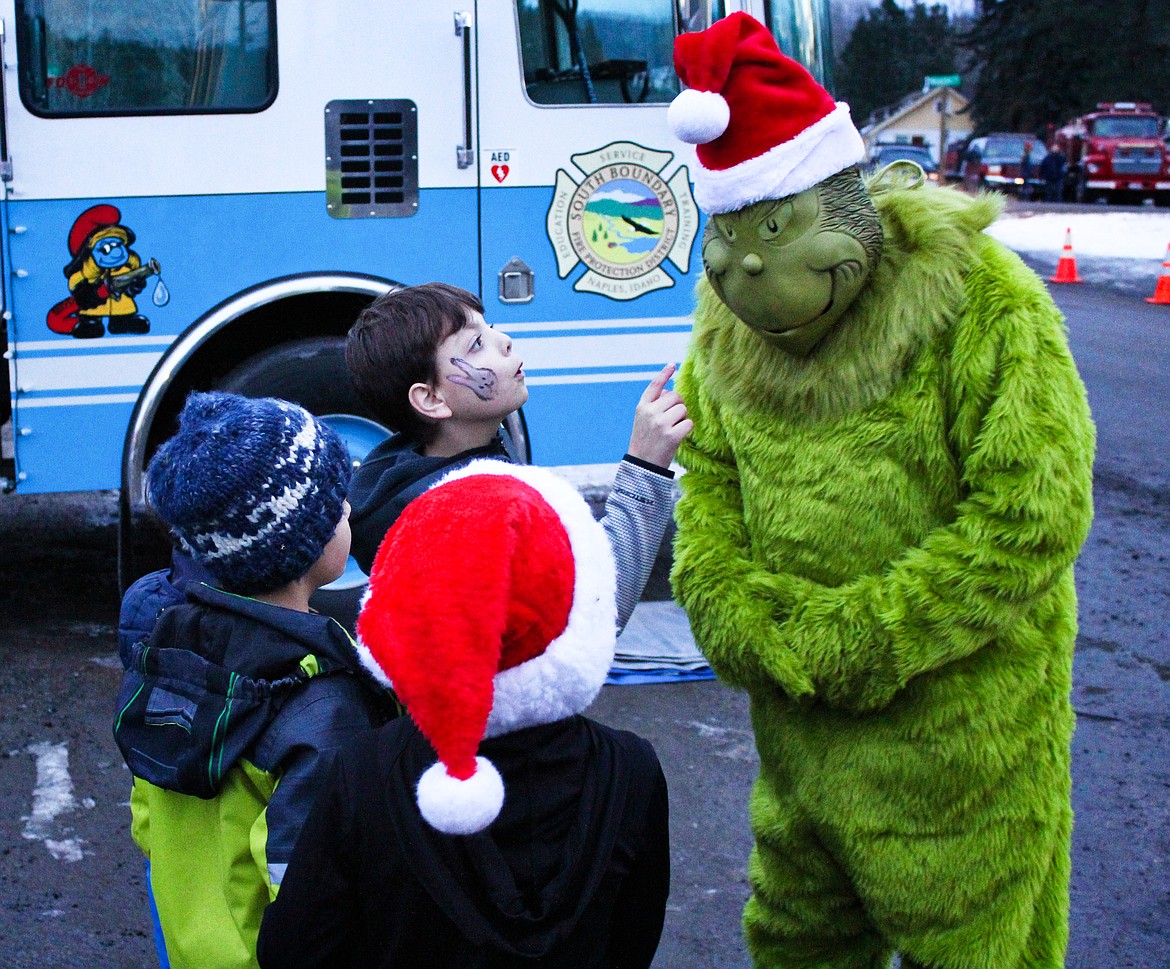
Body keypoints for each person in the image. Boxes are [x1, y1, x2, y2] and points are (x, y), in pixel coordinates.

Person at [667, 14, 1094, 969]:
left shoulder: (978, 300)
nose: (744, 265)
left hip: (962, 748)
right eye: (728, 234)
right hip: (803, 753)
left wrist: (869, 636)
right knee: (794, 938)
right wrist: (739, 616)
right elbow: (709, 491)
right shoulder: (724, 339)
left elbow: (1033, 515)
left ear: (839, 192)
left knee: (980, 946)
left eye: (771, 227)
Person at [256, 460, 670, 969]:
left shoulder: (365, 770)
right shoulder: (631, 770)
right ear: (585, 599)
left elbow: (293, 952)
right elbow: (635, 939)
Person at [113, 391, 396, 969]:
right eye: (336, 503)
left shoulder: (167, 648)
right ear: (299, 542)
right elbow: (316, 891)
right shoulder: (320, 705)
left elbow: (147, 817)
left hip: (188, 943)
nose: (349, 511)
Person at [344, 282, 692, 631]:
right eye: (476, 344)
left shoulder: (408, 476)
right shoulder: (470, 519)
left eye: (490, 328)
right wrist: (646, 464)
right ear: (431, 400)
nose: (504, 340)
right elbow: (592, 611)